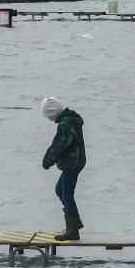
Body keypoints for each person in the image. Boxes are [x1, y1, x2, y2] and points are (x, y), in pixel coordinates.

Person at [40, 97, 86, 241]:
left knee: (66, 194)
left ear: (54, 112)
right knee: (60, 190)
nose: (49, 119)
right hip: (74, 161)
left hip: (72, 163)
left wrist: (48, 160)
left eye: (48, 115)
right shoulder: (70, 120)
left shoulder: (66, 124)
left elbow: (60, 144)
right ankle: (74, 224)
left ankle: (73, 230)